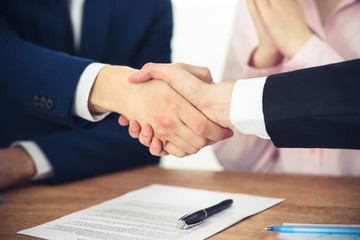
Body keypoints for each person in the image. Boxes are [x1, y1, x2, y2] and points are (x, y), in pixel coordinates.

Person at [0, 0, 232, 190]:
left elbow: (146, 134)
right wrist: (121, 91)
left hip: (104, 189)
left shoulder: (149, 6)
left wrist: (25, 159)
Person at [124, 0, 360, 176]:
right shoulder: (258, 7)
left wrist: (300, 45)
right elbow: (237, 162)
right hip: (284, 213)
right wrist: (265, 61)